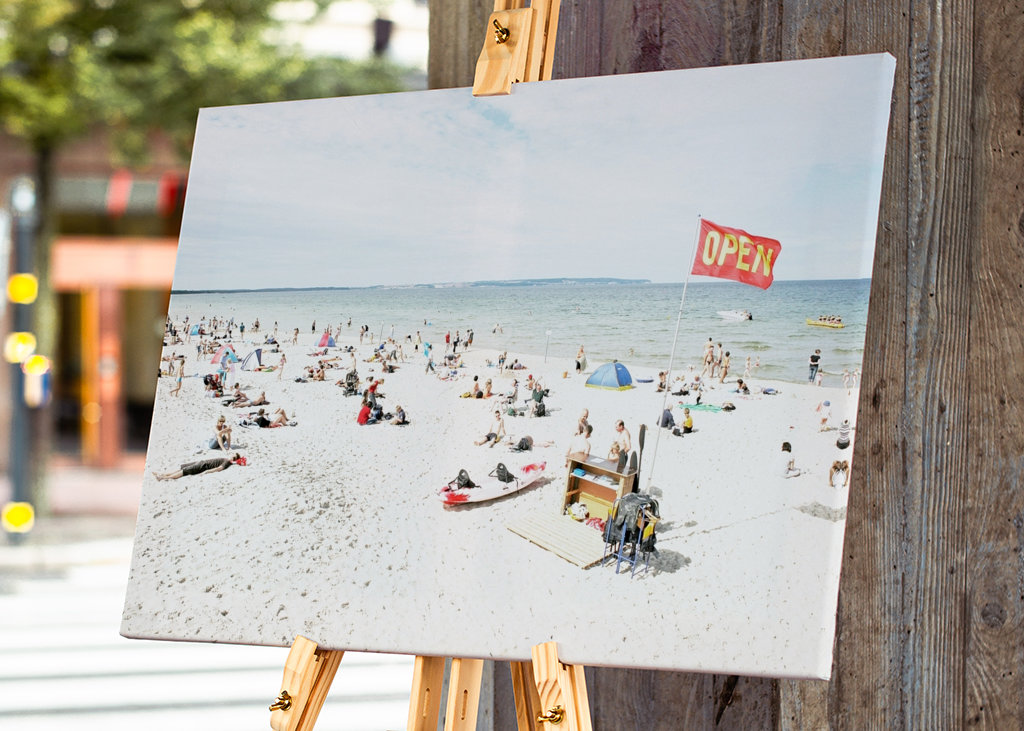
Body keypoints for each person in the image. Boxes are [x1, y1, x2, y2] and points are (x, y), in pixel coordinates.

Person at [154, 453, 245, 480]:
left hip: (203, 466)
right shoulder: (227, 460)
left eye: (233, 457)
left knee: (184, 471)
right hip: (201, 462)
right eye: (232, 455)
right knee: (182, 468)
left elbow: (218, 468)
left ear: (234, 459)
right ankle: (163, 474)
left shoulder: (227, 462)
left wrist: (206, 472)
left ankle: (163, 478)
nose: (231, 457)